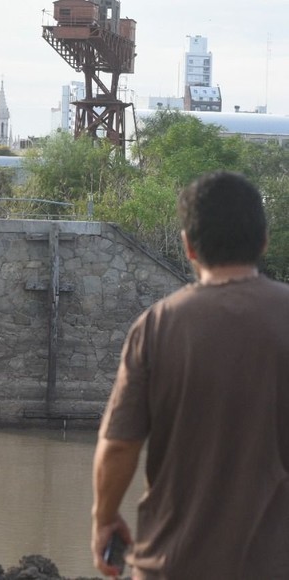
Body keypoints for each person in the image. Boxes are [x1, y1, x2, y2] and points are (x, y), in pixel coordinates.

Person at [91, 171, 289, 578]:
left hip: (171, 564)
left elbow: (119, 447)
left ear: (188, 247)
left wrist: (104, 518)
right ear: (264, 241)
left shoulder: (156, 327)